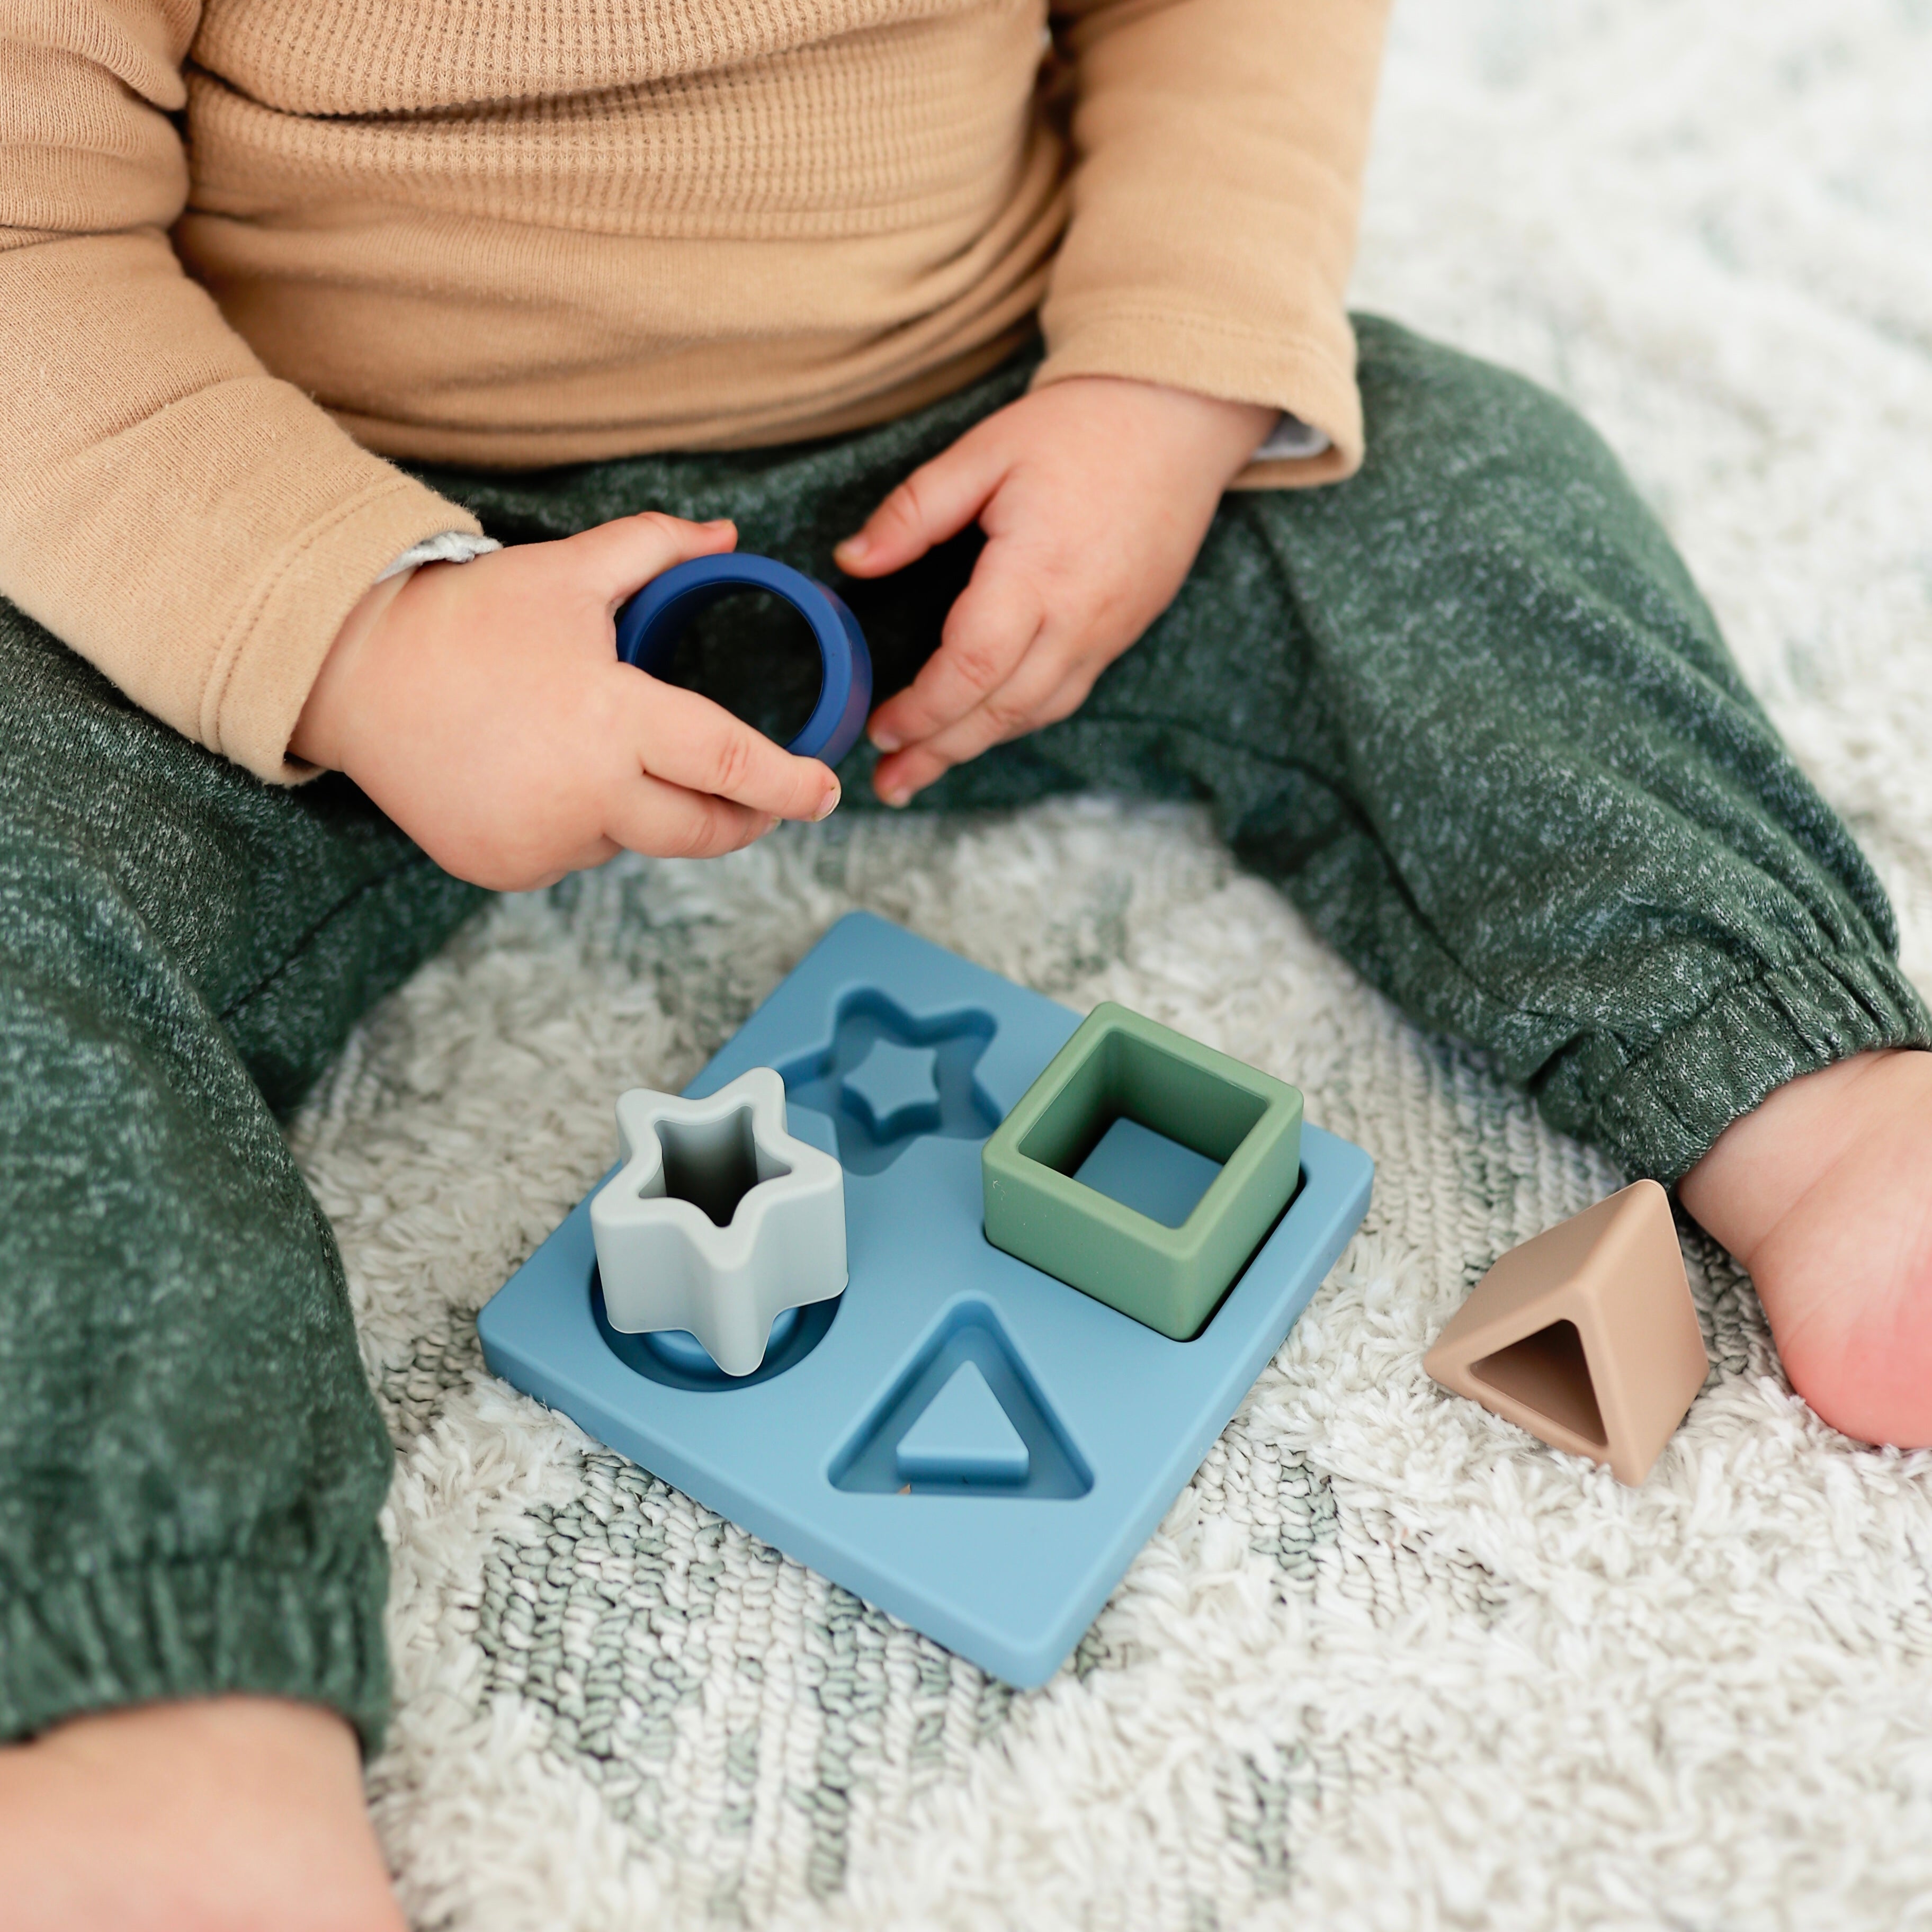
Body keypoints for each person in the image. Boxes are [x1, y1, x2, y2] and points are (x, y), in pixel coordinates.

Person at [2, 2, 1926, 1924]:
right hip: (324, 499)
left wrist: (1166, 379)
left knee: (1462, 495)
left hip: (988, 442)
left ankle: (1815, 1101)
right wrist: (352, 635)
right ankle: (145, 1696)